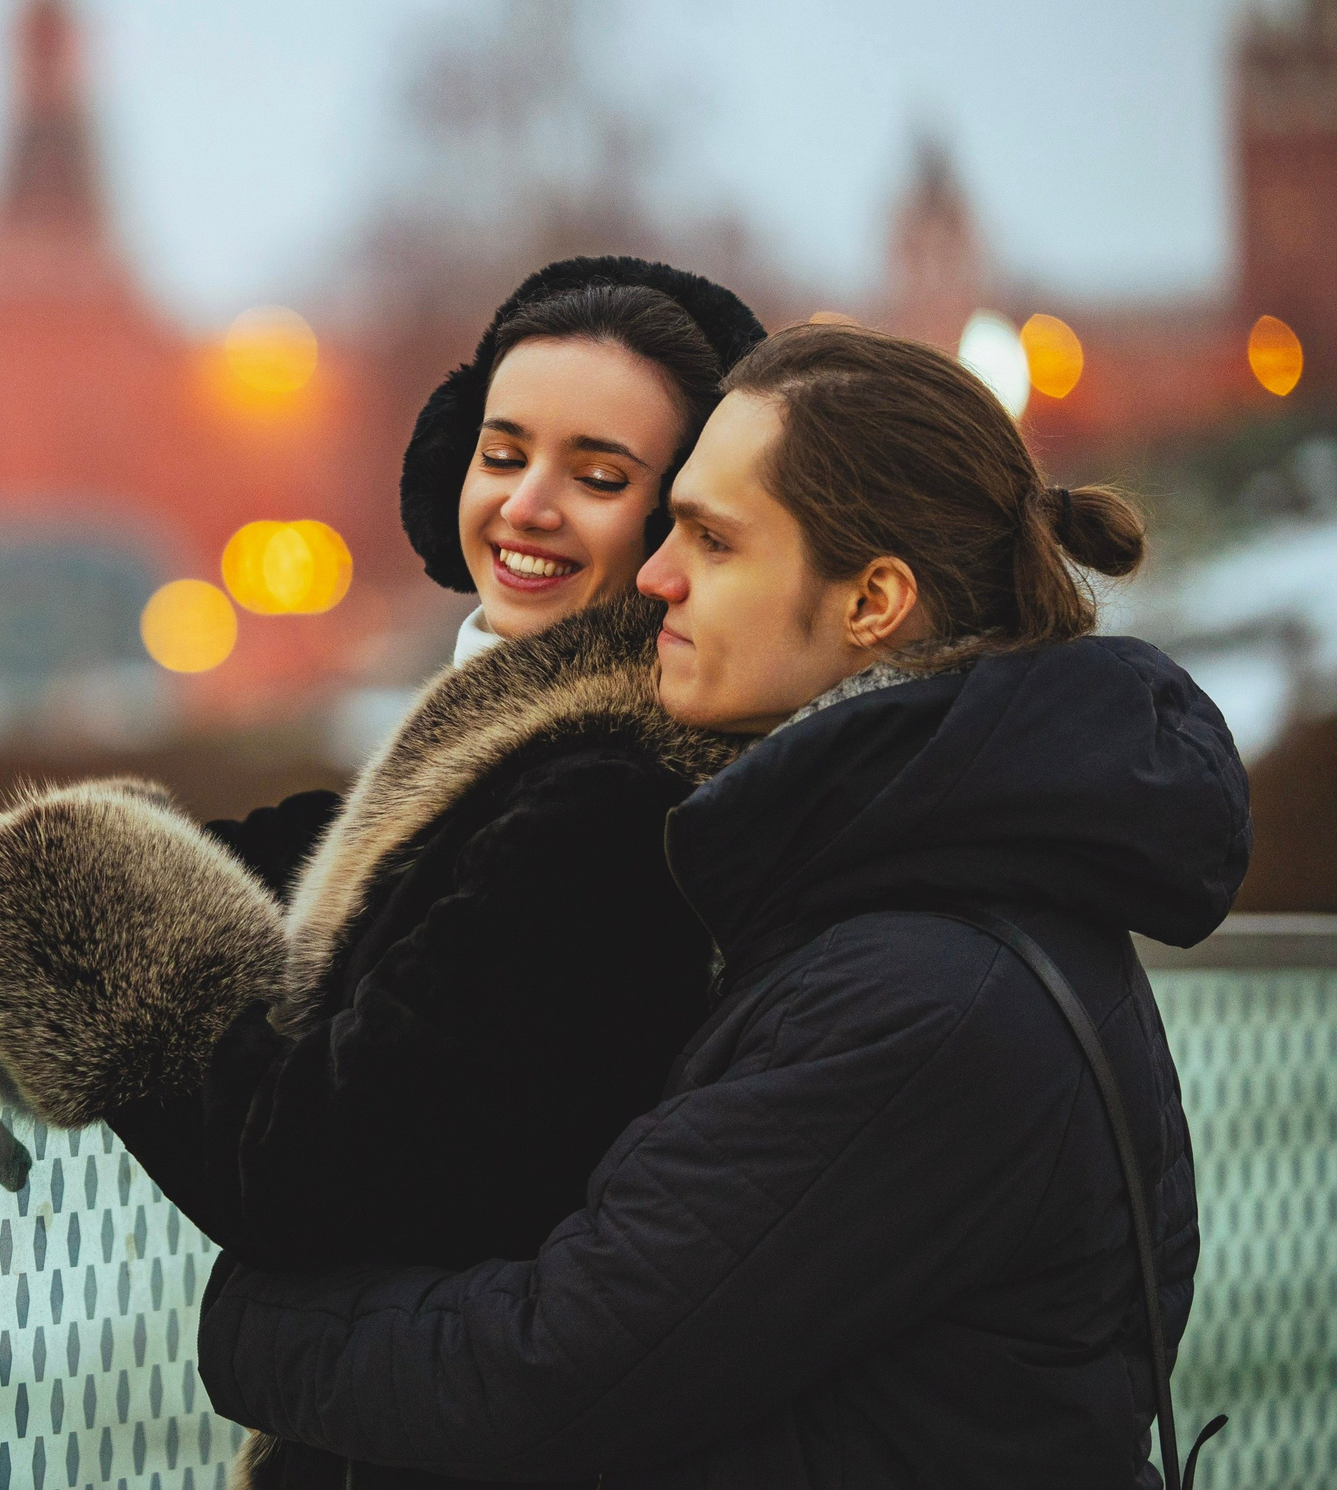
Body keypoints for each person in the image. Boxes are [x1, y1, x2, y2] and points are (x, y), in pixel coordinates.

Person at [195, 322, 1250, 1490]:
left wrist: (252, 1319)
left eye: (710, 538)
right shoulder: (895, 893)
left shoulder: (918, 999)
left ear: (874, 601)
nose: (654, 575)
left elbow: (543, 1374)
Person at [0, 255, 764, 1490]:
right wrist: (96, 860)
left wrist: (68, 906)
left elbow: (308, 1172)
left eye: (600, 475)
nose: (525, 505)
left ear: (680, 525)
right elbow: (337, 866)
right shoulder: (533, 764)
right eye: (503, 453)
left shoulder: (608, 810)